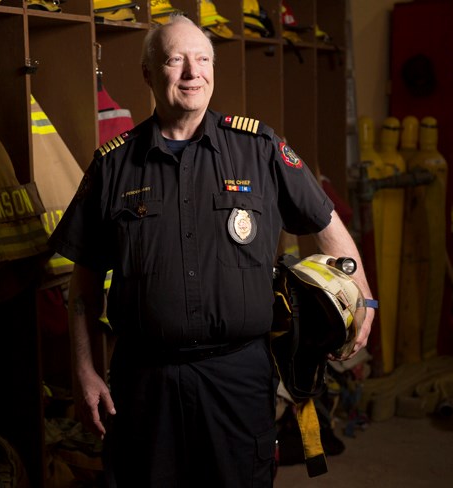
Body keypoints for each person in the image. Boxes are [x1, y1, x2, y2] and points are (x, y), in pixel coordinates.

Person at [48, 14, 374, 488]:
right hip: (143, 382)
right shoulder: (113, 165)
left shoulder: (259, 149)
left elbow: (326, 223)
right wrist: (84, 370)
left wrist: (362, 299)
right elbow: (84, 278)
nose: (191, 73)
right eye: (175, 60)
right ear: (148, 74)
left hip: (237, 376)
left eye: (202, 60)